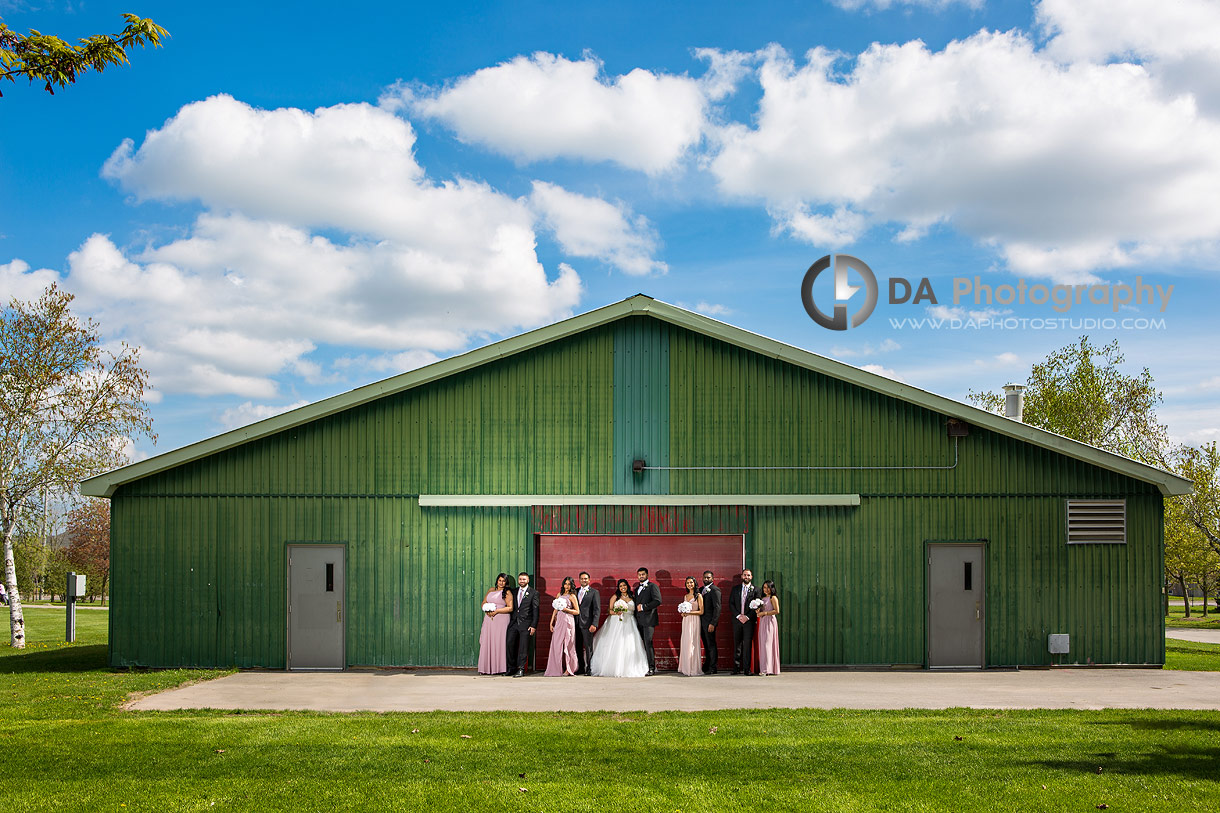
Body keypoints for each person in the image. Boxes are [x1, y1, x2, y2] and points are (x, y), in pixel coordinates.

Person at [589, 579, 649, 677]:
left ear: (627, 586)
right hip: (617, 622)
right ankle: (614, 667)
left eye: (624, 585)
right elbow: (609, 610)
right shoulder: (615, 597)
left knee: (630, 643)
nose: (622, 588)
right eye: (620, 586)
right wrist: (617, 612)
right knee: (617, 643)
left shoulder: (632, 597)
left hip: (630, 622)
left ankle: (630, 667)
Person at [477, 573, 514, 675]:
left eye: (504, 581)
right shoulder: (491, 590)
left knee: (499, 642)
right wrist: (487, 609)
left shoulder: (507, 592)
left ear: (506, 583)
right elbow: (483, 602)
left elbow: (510, 608)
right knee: (487, 641)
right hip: (489, 619)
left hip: (501, 619)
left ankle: (499, 668)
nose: (501, 583)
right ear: (497, 580)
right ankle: (485, 668)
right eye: (500, 580)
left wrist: (497, 611)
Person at [544, 576, 580, 676]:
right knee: (556, 645)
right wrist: (551, 622)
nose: (567, 586)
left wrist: (566, 610)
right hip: (559, 621)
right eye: (565, 583)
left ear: (571, 585)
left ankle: (569, 669)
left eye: (569, 584)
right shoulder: (559, 595)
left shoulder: (572, 596)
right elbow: (555, 609)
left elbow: (577, 611)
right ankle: (555, 669)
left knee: (569, 645)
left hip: (568, 621)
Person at [506, 572, 539, 677]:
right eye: (520, 579)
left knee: (523, 648)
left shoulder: (534, 593)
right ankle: (511, 668)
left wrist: (534, 625)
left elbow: (536, 611)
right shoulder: (513, 591)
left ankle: (520, 669)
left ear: (528, 580)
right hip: (514, 623)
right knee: (510, 645)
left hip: (526, 624)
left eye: (524, 579)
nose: (522, 581)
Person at [729, 568, 759, 676]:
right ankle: (736, 668)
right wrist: (738, 616)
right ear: (742, 576)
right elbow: (731, 604)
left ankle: (747, 669)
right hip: (737, 620)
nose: (746, 577)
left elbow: (757, 606)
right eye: (744, 575)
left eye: (748, 575)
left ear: (751, 577)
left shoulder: (756, 590)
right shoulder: (735, 589)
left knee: (747, 645)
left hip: (748, 621)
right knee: (737, 644)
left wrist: (747, 616)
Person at [633, 567, 662, 675]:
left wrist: (645, 607)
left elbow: (658, 601)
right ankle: (643, 666)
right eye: (639, 575)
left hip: (649, 620)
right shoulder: (636, 589)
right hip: (639, 621)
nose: (641, 576)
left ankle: (651, 667)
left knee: (648, 642)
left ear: (647, 575)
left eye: (643, 574)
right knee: (641, 644)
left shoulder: (652, 586)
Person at [677, 576, 704, 676]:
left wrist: (690, 612)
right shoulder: (685, 596)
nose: (689, 584)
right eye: (688, 583)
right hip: (686, 620)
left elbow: (701, 611)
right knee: (685, 642)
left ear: (695, 583)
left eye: (691, 582)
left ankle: (693, 668)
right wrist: (683, 613)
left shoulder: (698, 596)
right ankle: (685, 667)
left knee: (692, 642)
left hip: (694, 620)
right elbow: (684, 610)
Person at [574, 571, 601, 675]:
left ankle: (589, 668)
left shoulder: (594, 592)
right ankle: (581, 668)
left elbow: (597, 609)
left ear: (589, 580)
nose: (584, 580)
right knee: (578, 647)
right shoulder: (575, 591)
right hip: (576, 624)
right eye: (582, 578)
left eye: (586, 578)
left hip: (587, 624)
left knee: (588, 647)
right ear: (579, 580)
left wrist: (594, 623)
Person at [757, 579, 781, 676]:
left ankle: (767, 669)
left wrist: (765, 613)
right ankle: (764, 667)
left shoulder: (773, 598)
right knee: (763, 644)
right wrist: (758, 611)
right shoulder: (762, 599)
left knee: (767, 644)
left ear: (772, 588)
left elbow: (777, 610)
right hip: (763, 622)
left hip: (770, 621)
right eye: (764, 587)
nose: (765, 589)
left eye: (767, 588)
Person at [700, 569, 722, 674]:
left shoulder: (715, 590)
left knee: (711, 645)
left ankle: (713, 667)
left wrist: (713, 623)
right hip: (700, 622)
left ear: (712, 578)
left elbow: (717, 608)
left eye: (708, 577)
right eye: (705, 577)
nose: (706, 579)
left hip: (709, 623)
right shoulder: (700, 590)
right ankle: (707, 664)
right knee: (705, 644)